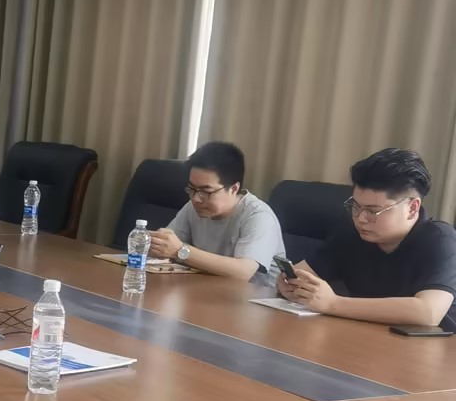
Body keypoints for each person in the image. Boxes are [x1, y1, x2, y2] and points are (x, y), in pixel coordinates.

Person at [278, 148, 456, 329]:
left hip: (434, 343)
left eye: (373, 211)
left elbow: (428, 312)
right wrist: (290, 285)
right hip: (366, 336)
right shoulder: (353, 232)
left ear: (412, 208)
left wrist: (333, 303)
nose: (361, 218)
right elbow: (304, 272)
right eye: (355, 206)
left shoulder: (440, 239)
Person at [149, 140, 284, 280]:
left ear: (234, 188)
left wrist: (180, 251)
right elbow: (166, 247)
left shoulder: (258, 215)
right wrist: (157, 245)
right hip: (206, 287)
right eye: (192, 189)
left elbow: (243, 272)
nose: (196, 198)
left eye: (206, 191)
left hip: (253, 293)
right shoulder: (193, 207)